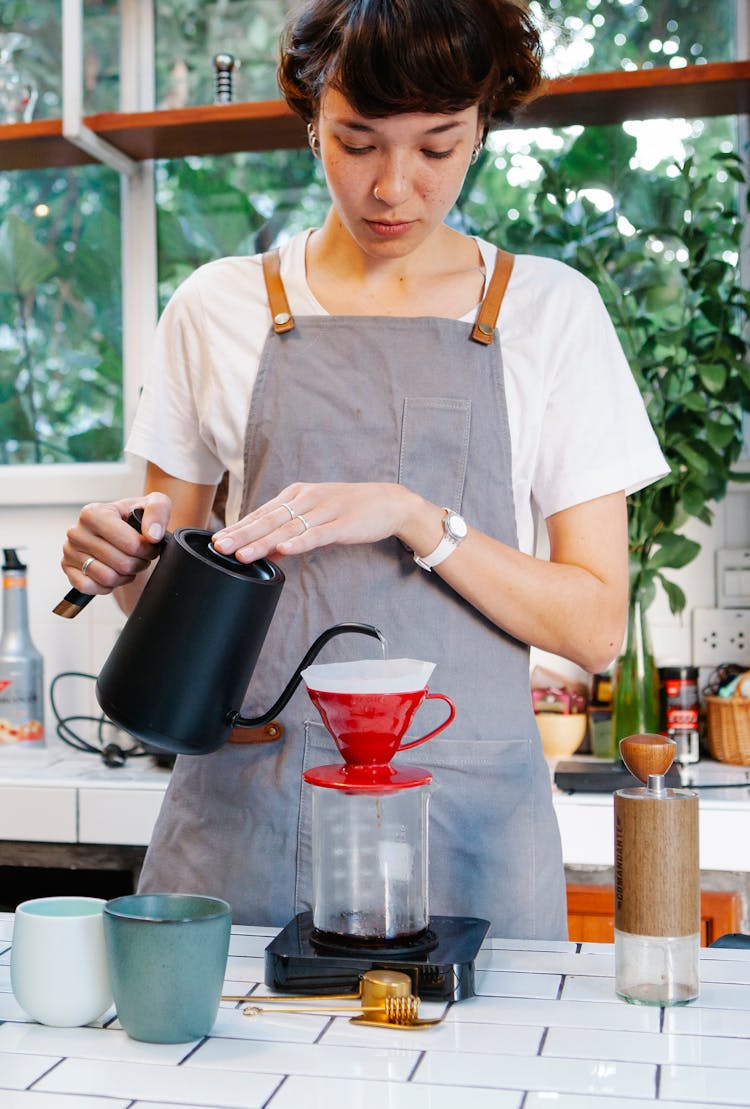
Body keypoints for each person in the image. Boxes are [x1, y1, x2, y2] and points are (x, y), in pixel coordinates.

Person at [61, 0, 667, 939]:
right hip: (244, 815)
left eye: (437, 148)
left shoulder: (553, 311)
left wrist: (415, 516)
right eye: (358, 142)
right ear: (311, 118)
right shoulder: (217, 307)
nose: (394, 187)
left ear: (482, 128)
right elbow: (159, 602)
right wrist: (122, 563)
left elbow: (591, 629)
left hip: (468, 826)